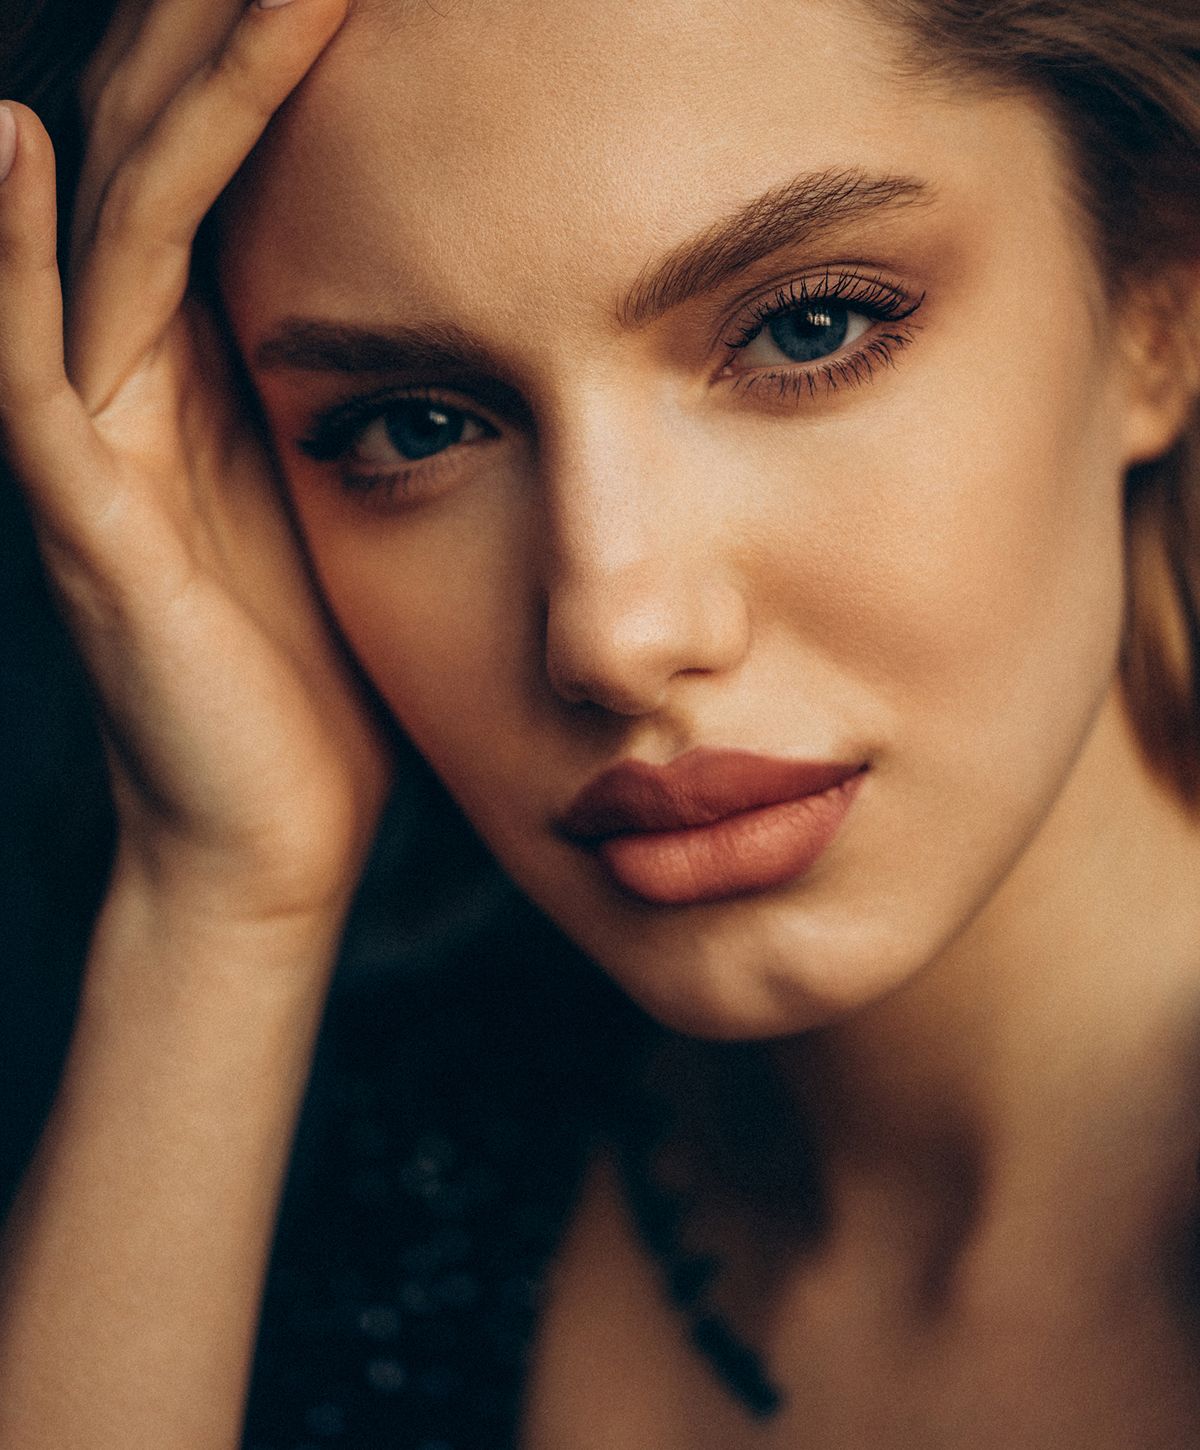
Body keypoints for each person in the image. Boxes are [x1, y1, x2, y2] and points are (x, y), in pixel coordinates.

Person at [1, 0, 1199, 1444]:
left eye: (806, 327)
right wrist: (217, 903)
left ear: (1160, 303)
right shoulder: (354, 1165)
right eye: (414, 424)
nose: (615, 632)